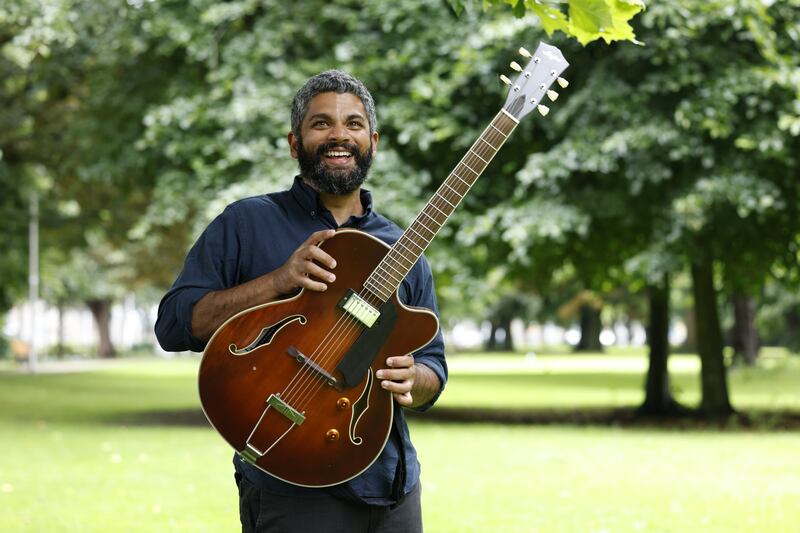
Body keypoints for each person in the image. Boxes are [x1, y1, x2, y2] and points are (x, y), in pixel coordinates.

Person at [154, 70, 447, 533]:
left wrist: (416, 378)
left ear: (373, 141)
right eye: (321, 124)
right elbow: (174, 325)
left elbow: (434, 368)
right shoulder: (246, 223)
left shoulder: (404, 249)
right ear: (295, 143)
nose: (338, 135)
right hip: (288, 485)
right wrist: (278, 281)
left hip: (391, 485)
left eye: (353, 124)